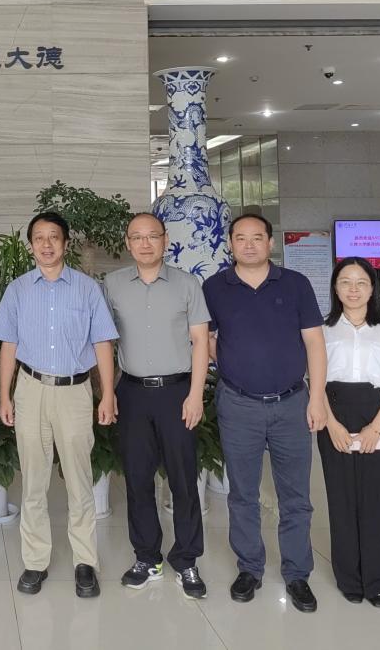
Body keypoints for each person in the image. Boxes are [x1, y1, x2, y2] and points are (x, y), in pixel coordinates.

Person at [202, 213, 327, 613]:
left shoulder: (295, 284)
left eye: (257, 237)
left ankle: (297, 573)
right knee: (242, 493)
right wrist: (229, 363)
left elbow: (315, 343)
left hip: (291, 404)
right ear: (230, 244)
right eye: (241, 238)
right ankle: (250, 568)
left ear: (270, 242)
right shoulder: (215, 287)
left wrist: (317, 398)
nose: (249, 244)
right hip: (238, 405)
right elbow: (205, 338)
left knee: (296, 495)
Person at [0, 212, 118, 598]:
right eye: (39, 238)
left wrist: (108, 394)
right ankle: (35, 562)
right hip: (30, 389)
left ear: (65, 243)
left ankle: (85, 562)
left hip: (74, 392)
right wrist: (4, 393)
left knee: (80, 480)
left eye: (53, 237)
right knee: (33, 480)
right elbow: (8, 345)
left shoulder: (87, 289)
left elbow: (102, 343)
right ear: (31, 245)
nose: (46, 244)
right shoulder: (17, 290)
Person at [102, 212, 211, 599]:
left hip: (177, 392)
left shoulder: (187, 284)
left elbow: (201, 341)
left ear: (165, 240)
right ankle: (146, 557)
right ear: (127, 243)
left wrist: (195, 395)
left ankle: (187, 559)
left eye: (152, 236)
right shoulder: (112, 285)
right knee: (137, 479)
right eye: (137, 237)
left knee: (183, 479)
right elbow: (103, 342)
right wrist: (108, 392)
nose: (145, 243)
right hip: (131, 392)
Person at [319, 256, 380, 608]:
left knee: (376, 502)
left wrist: (376, 428)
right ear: (335, 288)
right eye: (345, 282)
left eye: (361, 282)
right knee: (341, 500)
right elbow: (313, 381)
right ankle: (349, 579)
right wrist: (331, 424)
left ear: (372, 289)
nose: (353, 289)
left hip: (378, 416)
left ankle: (377, 583)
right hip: (335, 415)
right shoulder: (323, 330)